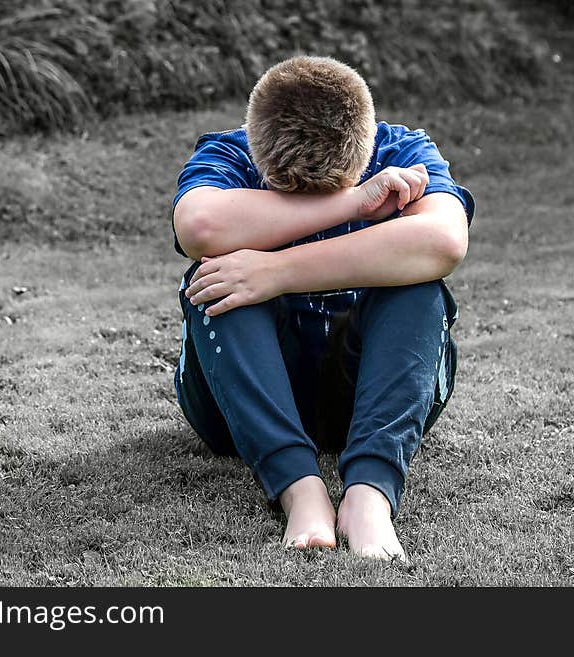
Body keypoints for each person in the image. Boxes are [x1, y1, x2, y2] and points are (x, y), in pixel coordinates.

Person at [170, 56, 474, 561]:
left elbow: (444, 241)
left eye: (328, 191)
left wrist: (277, 271)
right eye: (288, 195)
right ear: (254, 147)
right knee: (216, 277)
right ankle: (299, 488)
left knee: (419, 282)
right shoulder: (228, 153)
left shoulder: (404, 149)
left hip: (367, 391)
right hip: (238, 406)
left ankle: (369, 494)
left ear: (369, 147)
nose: (306, 206)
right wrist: (353, 202)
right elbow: (199, 227)